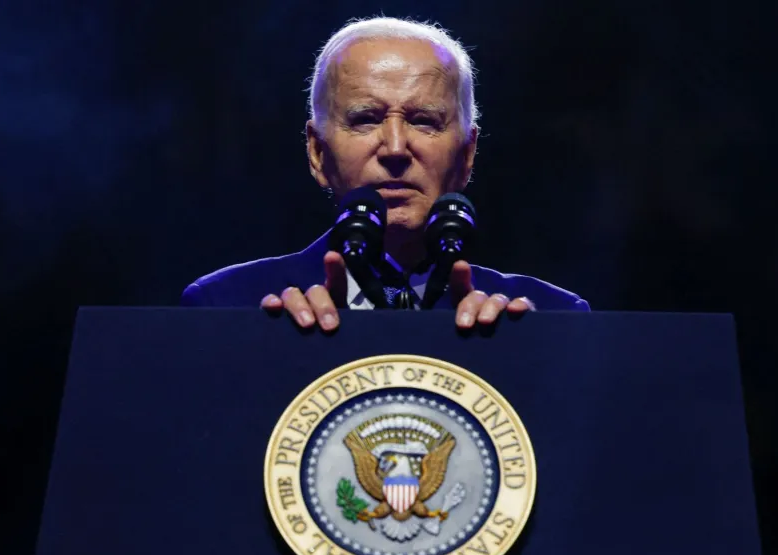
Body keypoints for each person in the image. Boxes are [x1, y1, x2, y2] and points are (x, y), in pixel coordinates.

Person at [181, 16, 589, 329]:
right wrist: (276, 357)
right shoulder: (229, 308)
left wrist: (525, 359)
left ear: (467, 154)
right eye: (365, 119)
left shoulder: (551, 320)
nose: (395, 148)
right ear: (317, 153)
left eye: (424, 121)